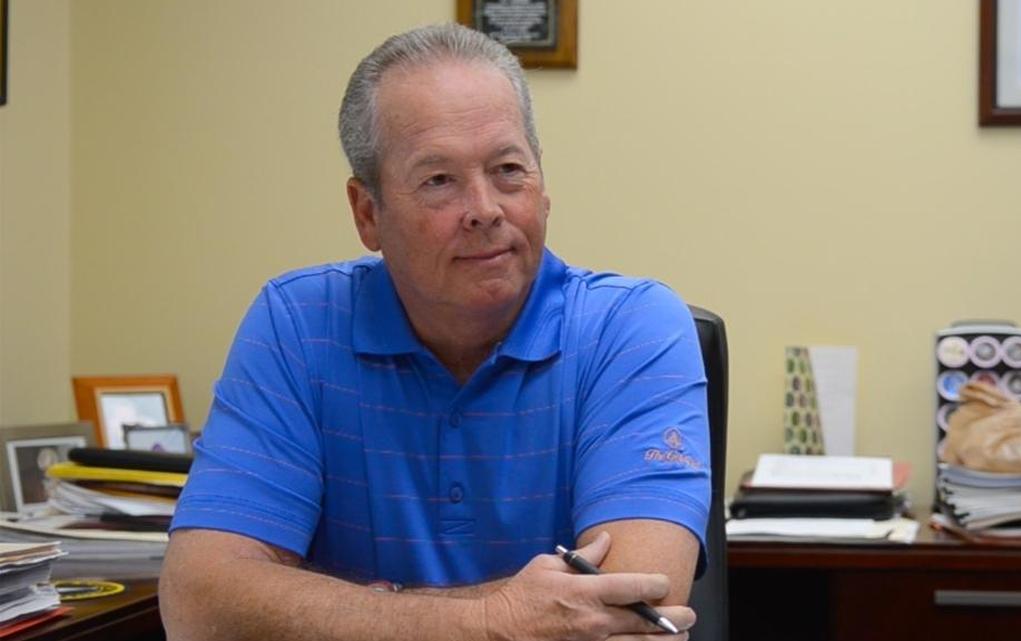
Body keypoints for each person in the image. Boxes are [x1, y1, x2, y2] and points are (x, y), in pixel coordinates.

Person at [159, 23, 710, 641]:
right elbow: (200, 605)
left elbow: (631, 614)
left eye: (508, 169)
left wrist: (343, 608)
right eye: (439, 181)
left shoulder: (632, 328)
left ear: (544, 190)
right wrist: (494, 621)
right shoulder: (296, 324)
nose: (485, 208)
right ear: (368, 214)